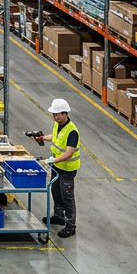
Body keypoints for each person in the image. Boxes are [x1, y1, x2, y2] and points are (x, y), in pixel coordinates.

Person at [43, 98, 80, 239]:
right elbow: (56, 137)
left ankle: (71, 226)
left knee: (67, 198)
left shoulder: (72, 132)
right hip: (57, 167)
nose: (55, 116)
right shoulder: (58, 124)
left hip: (67, 169)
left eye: (58, 114)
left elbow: (69, 153)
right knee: (56, 192)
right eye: (54, 114)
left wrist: (52, 160)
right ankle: (58, 216)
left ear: (65, 114)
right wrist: (43, 138)